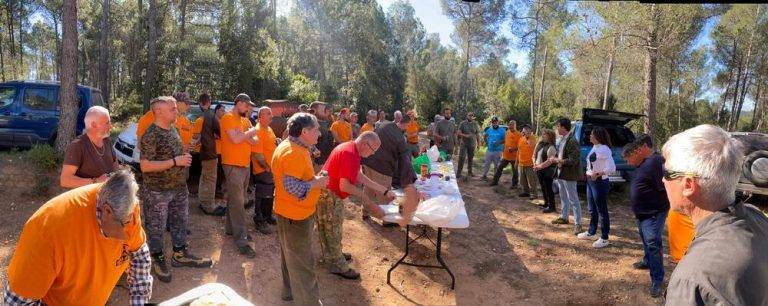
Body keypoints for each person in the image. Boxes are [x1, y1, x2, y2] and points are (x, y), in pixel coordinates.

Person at [4, 169, 152, 305]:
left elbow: (139, 255)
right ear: (107, 211)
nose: (129, 232)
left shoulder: (127, 210)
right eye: (125, 224)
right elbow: (16, 302)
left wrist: (139, 302)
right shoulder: (48, 231)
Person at [662, 124, 768, 305]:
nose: (663, 179)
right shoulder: (757, 217)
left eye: (667, 173)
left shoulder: (692, 279)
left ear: (688, 185)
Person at [139, 96, 212, 283]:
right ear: (159, 112)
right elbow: (145, 166)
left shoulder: (172, 129)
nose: (176, 111)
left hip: (178, 187)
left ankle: (179, 254)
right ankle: (157, 257)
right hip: (158, 191)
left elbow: (174, 153)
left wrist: (185, 151)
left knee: (180, 221)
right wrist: (175, 161)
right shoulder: (151, 134)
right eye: (172, 109)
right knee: (156, 226)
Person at [317, 132, 395, 280]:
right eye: (373, 150)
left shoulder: (353, 150)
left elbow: (358, 175)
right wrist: (367, 199)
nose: (373, 154)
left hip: (330, 193)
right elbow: (345, 186)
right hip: (329, 195)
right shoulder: (349, 153)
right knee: (332, 230)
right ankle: (338, 265)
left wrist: (384, 190)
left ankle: (334, 255)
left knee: (332, 228)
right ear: (365, 144)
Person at [272, 112, 329, 305]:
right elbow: (294, 188)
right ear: (304, 131)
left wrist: (314, 179)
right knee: (303, 264)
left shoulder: (294, 147)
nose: (319, 134)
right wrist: (318, 183)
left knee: (290, 256)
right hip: (295, 216)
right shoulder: (293, 152)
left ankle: (289, 292)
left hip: (288, 213)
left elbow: (296, 180)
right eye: (317, 129)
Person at [621, 133, 669, 297]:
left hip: (653, 212)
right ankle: (648, 261)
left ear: (642, 149)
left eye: (632, 154)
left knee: (653, 243)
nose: (630, 160)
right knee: (646, 239)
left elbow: (663, 186)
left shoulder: (655, 161)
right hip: (643, 213)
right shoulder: (644, 163)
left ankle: (657, 280)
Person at [220, 93, 260, 258]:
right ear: (238, 103)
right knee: (238, 202)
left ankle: (231, 229)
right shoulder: (228, 118)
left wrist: (245, 134)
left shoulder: (245, 121)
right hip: (232, 165)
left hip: (244, 164)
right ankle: (242, 239)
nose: (249, 108)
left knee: (235, 199)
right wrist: (247, 134)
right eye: (246, 105)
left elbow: (255, 140)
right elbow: (236, 140)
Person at [361, 115, 419, 226]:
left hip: (368, 160)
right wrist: (409, 180)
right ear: (406, 124)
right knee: (384, 193)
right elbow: (405, 161)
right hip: (382, 167)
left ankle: (365, 212)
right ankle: (387, 220)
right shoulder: (400, 138)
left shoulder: (384, 124)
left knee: (368, 188)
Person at [60, 106, 118, 188]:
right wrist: (96, 181)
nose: (110, 126)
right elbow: (65, 180)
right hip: (88, 198)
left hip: (109, 196)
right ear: (94, 125)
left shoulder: (106, 140)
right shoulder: (77, 146)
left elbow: (115, 164)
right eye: (107, 123)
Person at [577, 127, 615, 249]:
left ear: (598, 137)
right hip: (590, 181)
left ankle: (604, 237)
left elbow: (612, 168)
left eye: (592, 135)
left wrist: (598, 174)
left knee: (602, 210)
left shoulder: (605, 149)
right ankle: (591, 232)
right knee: (592, 209)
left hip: (599, 182)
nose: (590, 136)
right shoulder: (595, 147)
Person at [194, 93, 226, 216]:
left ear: (201, 103)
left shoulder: (204, 116)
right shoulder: (211, 115)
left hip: (204, 152)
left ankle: (203, 201)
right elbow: (221, 132)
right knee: (210, 180)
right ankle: (208, 206)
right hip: (210, 153)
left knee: (204, 178)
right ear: (209, 102)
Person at [549, 118, 583, 234]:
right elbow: (561, 154)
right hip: (561, 172)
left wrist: (558, 160)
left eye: (558, 126)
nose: (557, 128)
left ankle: (578, 224)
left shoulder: (573, 141)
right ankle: (564, 217)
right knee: (563, 196)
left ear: (563, 127)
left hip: (569, 174)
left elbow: (573, 160)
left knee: (573, 199)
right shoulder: (562, 139)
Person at [251, 106, 278, 234]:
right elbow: (257, 154)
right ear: (260, 116)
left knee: (269, 193)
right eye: (268, 114)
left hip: (271, 169)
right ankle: (259, 219)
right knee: (262, 194)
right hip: (263, 170)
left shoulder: (269, 129)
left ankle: (267, 216)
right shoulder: (257, 130)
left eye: (271, 113)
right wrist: (267, 168)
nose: (271, 116)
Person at [533, 128, 558, 213]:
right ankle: (546, 203)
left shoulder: (551, 147)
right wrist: (535, 164)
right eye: (543, 134)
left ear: (550, 136)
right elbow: (534, 155)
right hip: (539, 169)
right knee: (543, 187)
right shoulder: (540, 144)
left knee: (549, 188)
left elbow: (549, 162)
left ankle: (552, 206)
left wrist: (539, 166)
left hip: (548, 171)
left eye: (545, 134)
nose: (543, 136)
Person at [491, 119, 521, 188]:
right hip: (506, 156)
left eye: (512, 124)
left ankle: (514, 185)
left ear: (515, 125)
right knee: (499, 167)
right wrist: (498, 142)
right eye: (510, 124)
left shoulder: (519, 135)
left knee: (515, 171)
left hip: (514, 157)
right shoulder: (507, 132)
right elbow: (505, 140)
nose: (511, 126)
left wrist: (513, 149)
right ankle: (495, 181)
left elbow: (520, 146)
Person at [456, 112, 480, 181]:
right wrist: (466, 136)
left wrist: (478, 144)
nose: (470, 117)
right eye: (469, 115)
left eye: (472, 116)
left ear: (473, 117)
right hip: (464, 144)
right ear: (467, 116)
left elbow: (478, 134)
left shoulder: (475, 124)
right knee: (462, 158)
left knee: (470, 159)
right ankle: (459, 173)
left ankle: (470, 172)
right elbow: (459, 133)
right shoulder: (462, 123)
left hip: (472, 144)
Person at [481, 116, 505, 181]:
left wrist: (499, 142)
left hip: (498, 151)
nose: (494, 123)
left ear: (498, 122)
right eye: (493, 122)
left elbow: (505, 140)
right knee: (486, 163)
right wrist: (486, 142)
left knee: (497, 165)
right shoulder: (489, 129)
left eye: (495, 122)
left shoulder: (502, 130)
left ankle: (495, 177)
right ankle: (484, 175)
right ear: (492, 123)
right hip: (489, 150)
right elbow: (485, 136)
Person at [517, 125, 538, 199]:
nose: (524, 131)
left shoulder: (533, 138)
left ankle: (534, 194)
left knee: (531, 180)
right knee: (522, 180)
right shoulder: (521, 139)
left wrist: (528, 136)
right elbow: (519, 150)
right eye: (523, 130)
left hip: (530, 163)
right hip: (521, 163)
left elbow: (531, 145)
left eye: (526, 130)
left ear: (529, 131)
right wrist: (517, 161)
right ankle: (526, 192)